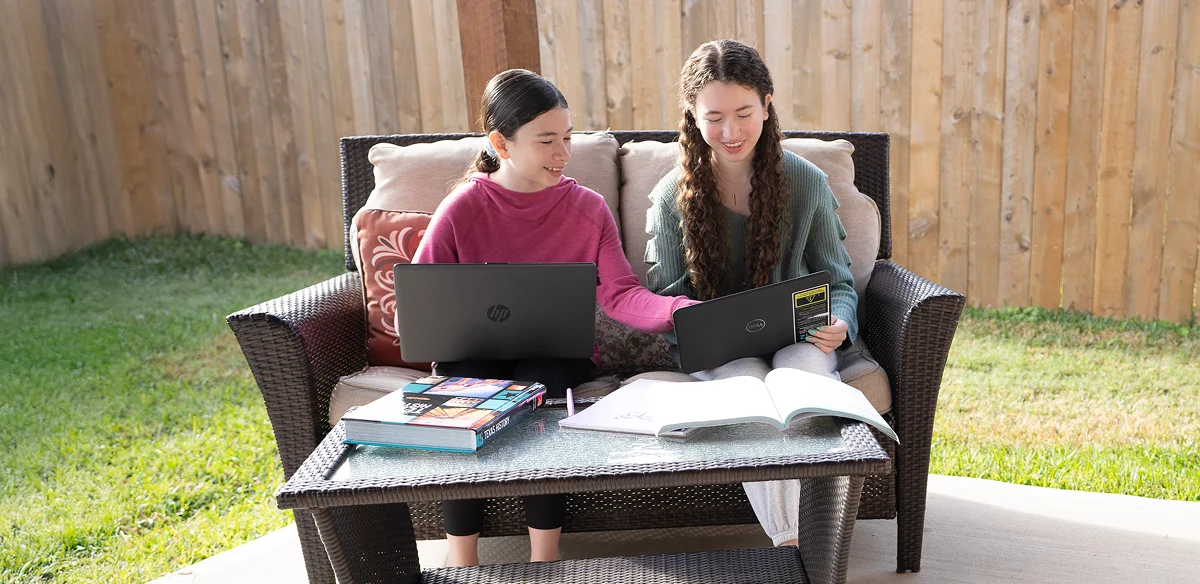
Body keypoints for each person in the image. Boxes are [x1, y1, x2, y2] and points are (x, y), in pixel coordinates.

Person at [411, 68, 697, 567]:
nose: (563, 154)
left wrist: (681, 310)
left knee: (538, 388)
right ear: (501, 143)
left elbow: (621, 294)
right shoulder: (462, 208)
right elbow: (419, 301)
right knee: (464, 389)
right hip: (473, 357)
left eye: (567, 138)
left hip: (558, 356)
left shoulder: (587, 208)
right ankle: (461, 558)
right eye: (547, 141)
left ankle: (545, 557)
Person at [644, 39, 859, 548]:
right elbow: (668, 302)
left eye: (743, 113)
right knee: (747, 392)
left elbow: (838, 282)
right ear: (692, 116)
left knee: (800, 382)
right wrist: (701, 329)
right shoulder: (671, 197)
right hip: (721, 352)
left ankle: (801, 544)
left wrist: (840, 323)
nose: (731, 132)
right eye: (714, 117)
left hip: (800, 336)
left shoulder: (806, 182)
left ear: (766, 104)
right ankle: (794, 546)